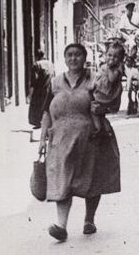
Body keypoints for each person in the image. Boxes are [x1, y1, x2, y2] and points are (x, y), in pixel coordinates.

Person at [38, 42, 121, 242]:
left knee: (91, 179)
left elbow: (110, 101)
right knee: (62, 179)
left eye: (77, 55)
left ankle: (89, 219)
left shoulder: (95, 79)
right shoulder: (55, 82)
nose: (73, 58)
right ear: (64, 59)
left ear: (85, 59)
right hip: (60, 140)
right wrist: (42, 138)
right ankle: (61, 225)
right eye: (69, 55)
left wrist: (102, 110)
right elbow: (46, 113)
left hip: (90, 138)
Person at [90, 41, 124, 140]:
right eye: (109, 55)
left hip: (107, 95)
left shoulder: (117, 68)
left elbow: (111, 79)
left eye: (115, 57)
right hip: (102, 92)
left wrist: (109, 67)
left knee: (94, 110)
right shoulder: (103, 66)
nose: (111, 58)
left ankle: (99, 129)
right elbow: (97, 78)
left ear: (120, 59)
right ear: (105, 55)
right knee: (100, 114)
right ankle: (105, 129)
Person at [28, 48, 54, 141]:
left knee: (38, 108)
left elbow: (34, 80)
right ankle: (47, 130)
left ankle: (40, 125)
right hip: (49, 89)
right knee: (46, 110)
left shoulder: (36, 64)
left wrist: (31, 92)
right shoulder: (50, 64)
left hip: (39, 91)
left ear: (37, 56)